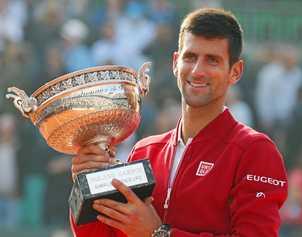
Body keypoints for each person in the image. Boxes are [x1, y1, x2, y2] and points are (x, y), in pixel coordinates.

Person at [70, 8, 288, 237]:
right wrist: (86, 184)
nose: (197, 71)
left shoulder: (255, 151)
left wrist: (159, 234)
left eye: (212, 61)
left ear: (235, 71)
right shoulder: (145, 151)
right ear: (176, 62)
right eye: (190, 57)